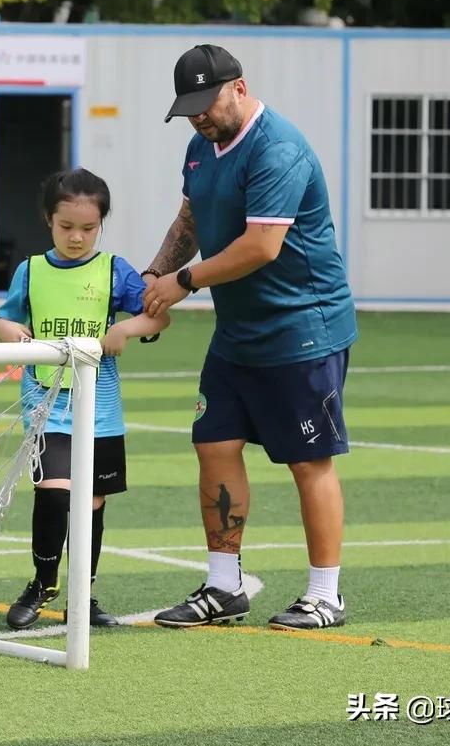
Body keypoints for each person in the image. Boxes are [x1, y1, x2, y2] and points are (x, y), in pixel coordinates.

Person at [144, 45, 357, 631]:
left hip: (303, 331)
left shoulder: (278, 148)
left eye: (204, 103)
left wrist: (181, 282)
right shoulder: (200, 145)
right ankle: (223, 586)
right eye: (187, 108)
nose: (197, 118)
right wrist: (153, 276)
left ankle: (325, 594)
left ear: (238, 87)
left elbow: (262, 246)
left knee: (308, 461)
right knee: (213, 445)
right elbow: (190, 219)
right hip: (238, 333)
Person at [0, 168, 170, 630]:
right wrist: (11, 330)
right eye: (66, 227)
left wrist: (124, 328)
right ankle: (43, 582)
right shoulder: (30, 270)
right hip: (46, 405)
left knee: (91, 504)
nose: (77, 237)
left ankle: (82, 595)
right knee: (53, 495)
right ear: (48, 221)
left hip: (101, 412)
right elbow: (4, 321)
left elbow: (157, 318)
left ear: (101, 225)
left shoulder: (114, 269)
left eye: (88, 228)